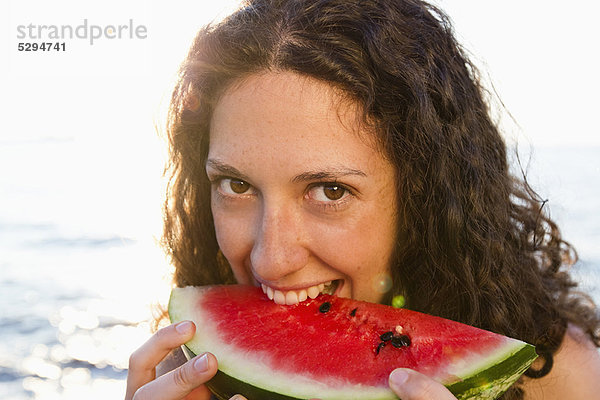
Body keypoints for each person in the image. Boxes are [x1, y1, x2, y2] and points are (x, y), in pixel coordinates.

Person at [125, 0, 600, 399]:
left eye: (330, 191)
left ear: (424, 198)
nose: (271, 260)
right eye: (236, 186)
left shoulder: (566, 381)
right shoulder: (182, 371)